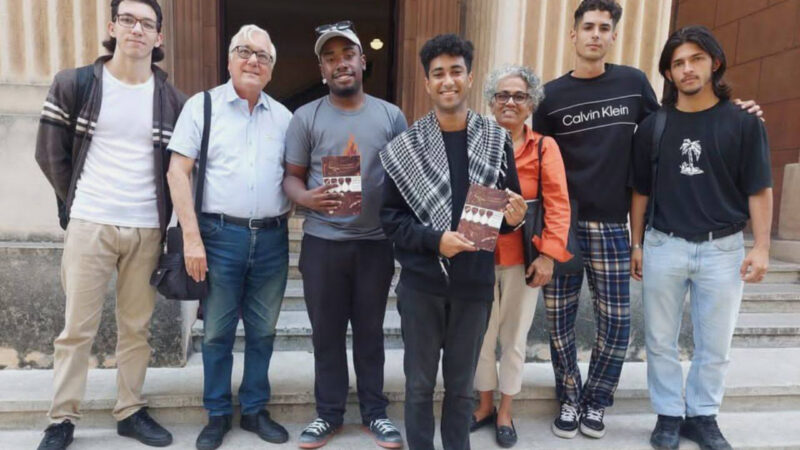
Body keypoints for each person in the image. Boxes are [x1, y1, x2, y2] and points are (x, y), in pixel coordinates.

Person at [530, 0, 763, 439]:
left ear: (613, 36)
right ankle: (569, 396)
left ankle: (597, 401)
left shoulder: (634, 83)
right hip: (561, 224)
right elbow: (536, 155)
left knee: (617, 324)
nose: (596, 34)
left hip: (614, 223)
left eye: (604, 27)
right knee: (558, 320)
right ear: (573, 35)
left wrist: (736, 112)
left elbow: (678, 125)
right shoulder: (552, 95)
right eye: (588, 27)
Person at [34, 1, 186, 448]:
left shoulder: (171, 100)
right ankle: (61, 419)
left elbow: (178, 168)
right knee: (76, 329)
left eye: (147, 24)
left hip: (146, 228)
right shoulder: (75, 83)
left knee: (136, 328)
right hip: (91, 222)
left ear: (159, 38)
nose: (137, 29)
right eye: (128, 20)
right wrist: (78, 202)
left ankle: (130, 409)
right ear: (112, 26)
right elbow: (49, 153)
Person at [380, 34, 526, 450]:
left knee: (462, 389)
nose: (448, 81)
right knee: (420, 386)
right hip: (422, 284)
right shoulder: (404, 147)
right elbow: (390, 220)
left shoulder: (495, 140)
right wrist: (434, 242)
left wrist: (516, 219)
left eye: (456, 71)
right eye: (438, 73)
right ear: (427, 83)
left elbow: (506, 215)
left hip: (474, 286)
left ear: (469, 78)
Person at [630, 25, 772, 450]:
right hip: (663, 244)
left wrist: (762, 246)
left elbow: (759, 189)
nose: (687, 69)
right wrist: (637, 244)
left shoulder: (744, 123)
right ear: (668, 75)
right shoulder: (654, 127)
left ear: (715, 62)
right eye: (677, 63)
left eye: (695, 59)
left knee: (716, 342)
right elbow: (640, 192)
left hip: (723, 249)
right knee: (659, 339)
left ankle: (704, 415)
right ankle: (669, 415)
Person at [166, 24, 292, 450]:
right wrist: (191, 238)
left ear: (271, 69)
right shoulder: (202, 107)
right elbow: (177, 172)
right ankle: (218, 413)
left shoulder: (285, 118)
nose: (253, 60)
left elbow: (295, 177)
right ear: (229, 59)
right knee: (217, 332)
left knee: (264, 331)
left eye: (262, 55)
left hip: (273, 238)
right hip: (218, 236)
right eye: (244, 51)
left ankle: (255, 408)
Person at [282, 20, 406, 449]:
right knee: (327, 335)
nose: (340, 64)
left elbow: (406, 180)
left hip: (374, 244)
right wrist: (307, 199)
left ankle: (375, 413)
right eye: (330, 58)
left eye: (347, 55)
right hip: (323, 244)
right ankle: (328, 414)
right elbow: (291, 178)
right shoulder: (305, 118)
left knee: (371, 333)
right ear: (322, 69)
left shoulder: (391, 116)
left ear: (362, 61)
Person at [470, 65, 572, 448]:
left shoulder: (544, 147)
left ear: (531, 104)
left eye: (519, 96)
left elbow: (559, 206)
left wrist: (547, 256)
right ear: (491, 102)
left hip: (522, 260)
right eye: (502, 95)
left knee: (513, 338)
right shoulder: (474, 141)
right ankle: (482, 405)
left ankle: (505, 411)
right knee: (481, 336)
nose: (510, 102)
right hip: (478, 254)